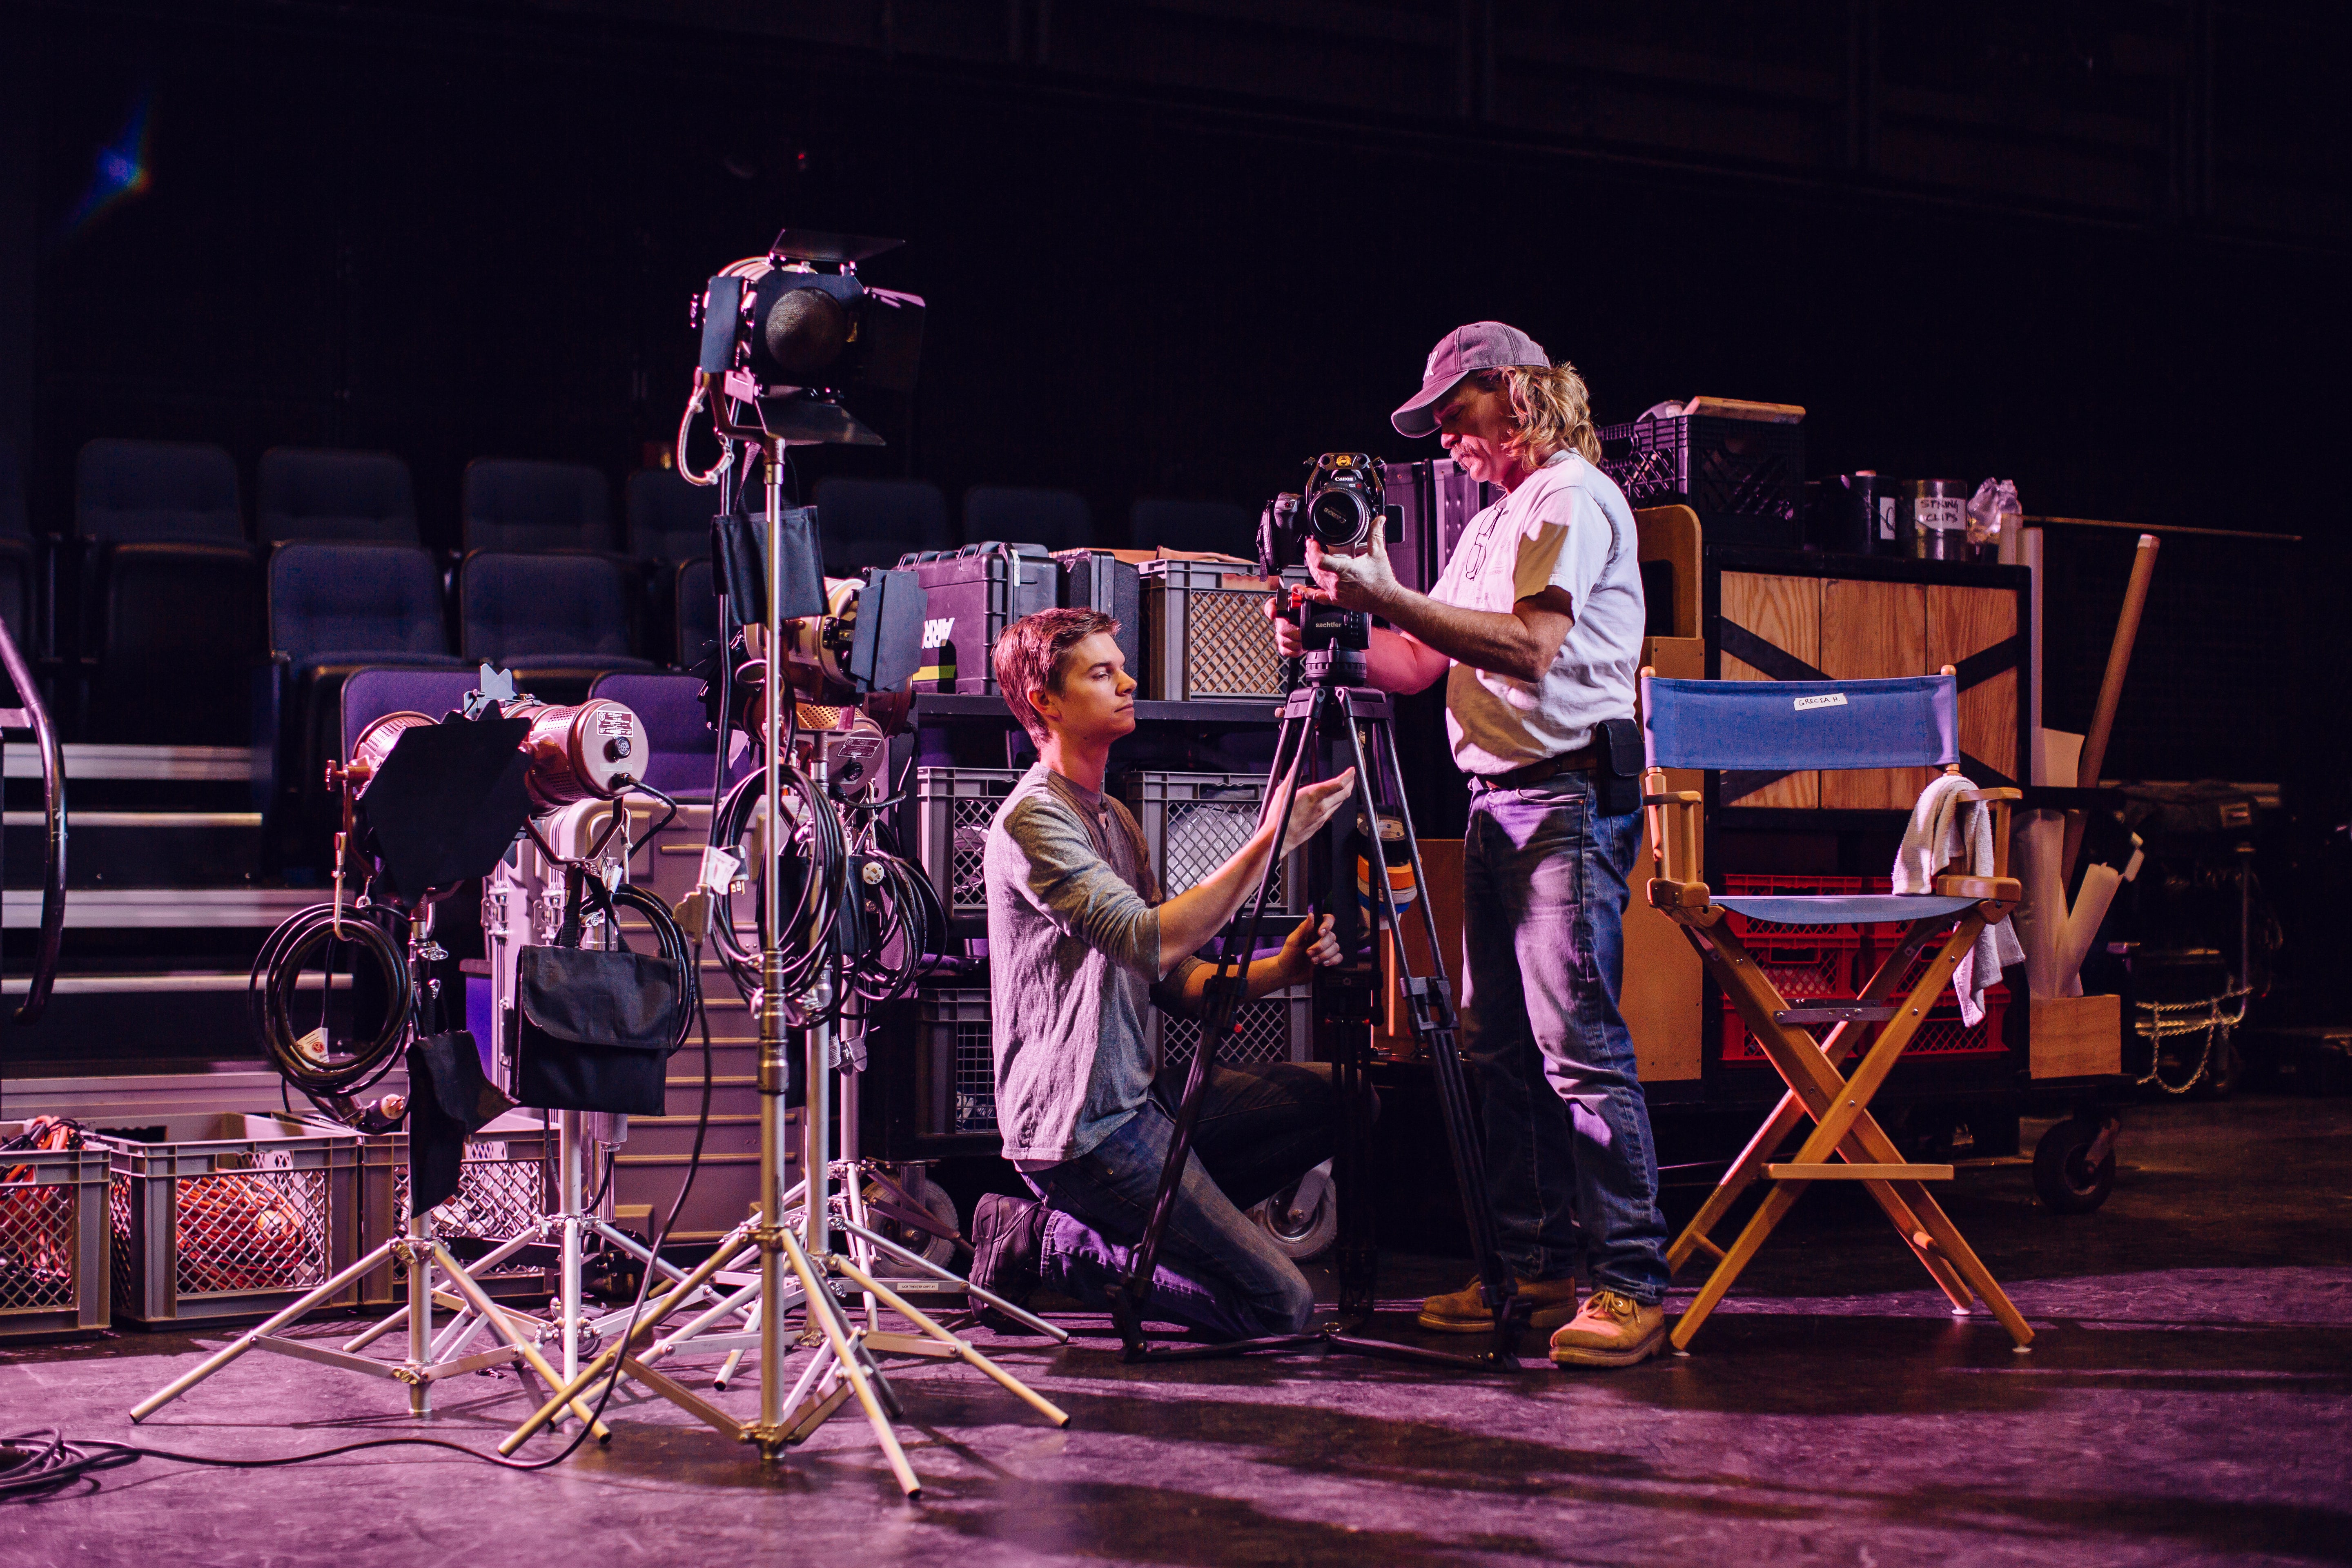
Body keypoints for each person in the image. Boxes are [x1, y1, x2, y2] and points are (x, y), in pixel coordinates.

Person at [1269, 321, 1673, 1368]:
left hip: (1564, 800)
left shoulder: (1571, 498)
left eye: (1456, 414)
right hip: (1503, 804)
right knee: (1501, 1050)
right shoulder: (1495, 522)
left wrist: (1386, 595)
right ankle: (1532, 1274)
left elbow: (1532, 649)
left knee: (1577, 1047)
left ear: (1517, 394)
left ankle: (1631, 1284)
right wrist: (1337, 629)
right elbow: (1416, 663)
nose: (1444, 438)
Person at [965, 606, 1363, 1339]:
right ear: (1046, 702)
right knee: (1281, 1307)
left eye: (1122, 669)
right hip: (1082, 1130)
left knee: (1345, 1097)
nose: (1128, 683)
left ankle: (1177, 1230)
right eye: (1102, 674)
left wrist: (1285, 967)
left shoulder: (1115, 818)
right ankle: (1043, 1243)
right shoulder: (1033, 823)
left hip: (1139, 1101)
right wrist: (1269, 843)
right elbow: (1147, 942)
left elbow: (1174, 980)